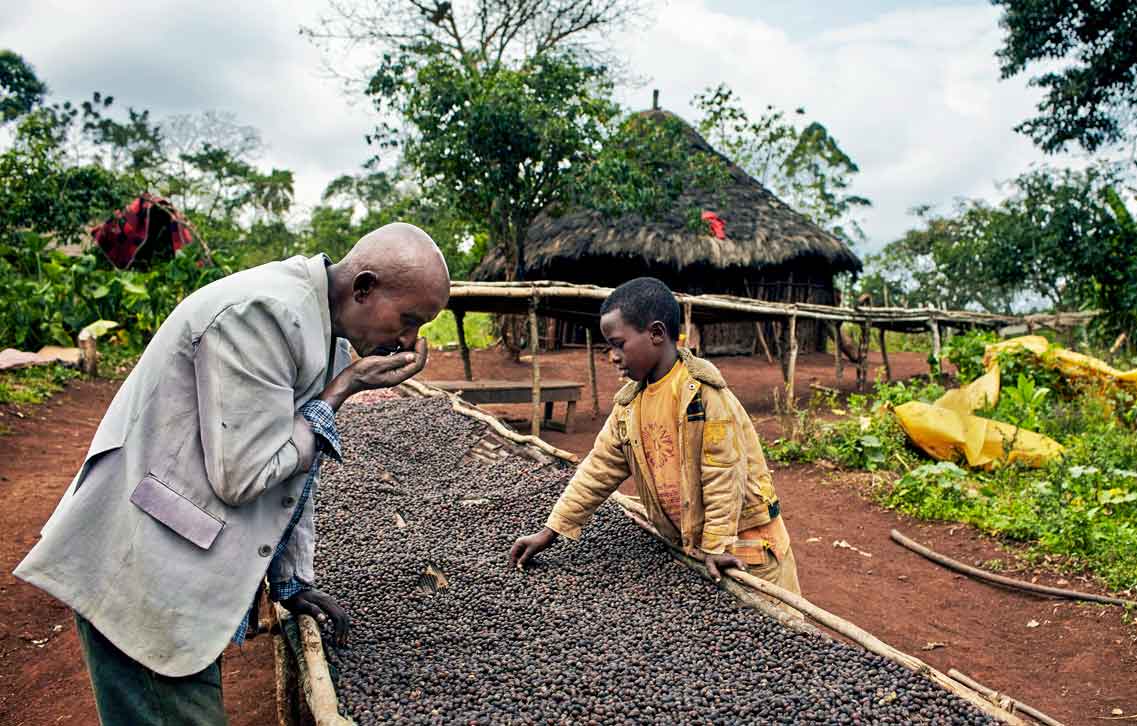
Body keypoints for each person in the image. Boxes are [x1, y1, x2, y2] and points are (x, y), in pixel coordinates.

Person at [14, 222, 450, 725]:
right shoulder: (263, 314)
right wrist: (341, 389)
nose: (410, 339)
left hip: (175, 568)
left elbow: (296, 474)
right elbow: (247, 475)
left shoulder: (325, 334)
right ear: (364, 287)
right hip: (145, 574)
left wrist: (290, 581)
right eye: (410, 319)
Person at [509, 277, 800, 592]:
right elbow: (598, 468)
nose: (613, 356)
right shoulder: (630, 404)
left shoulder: (702, 395)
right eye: (609, 347)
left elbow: (724, 472)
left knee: (776, 620)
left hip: (746, 543)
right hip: (700, 545)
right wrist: (552, 530)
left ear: (656, 334)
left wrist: (717, 544)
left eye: (619, 344)